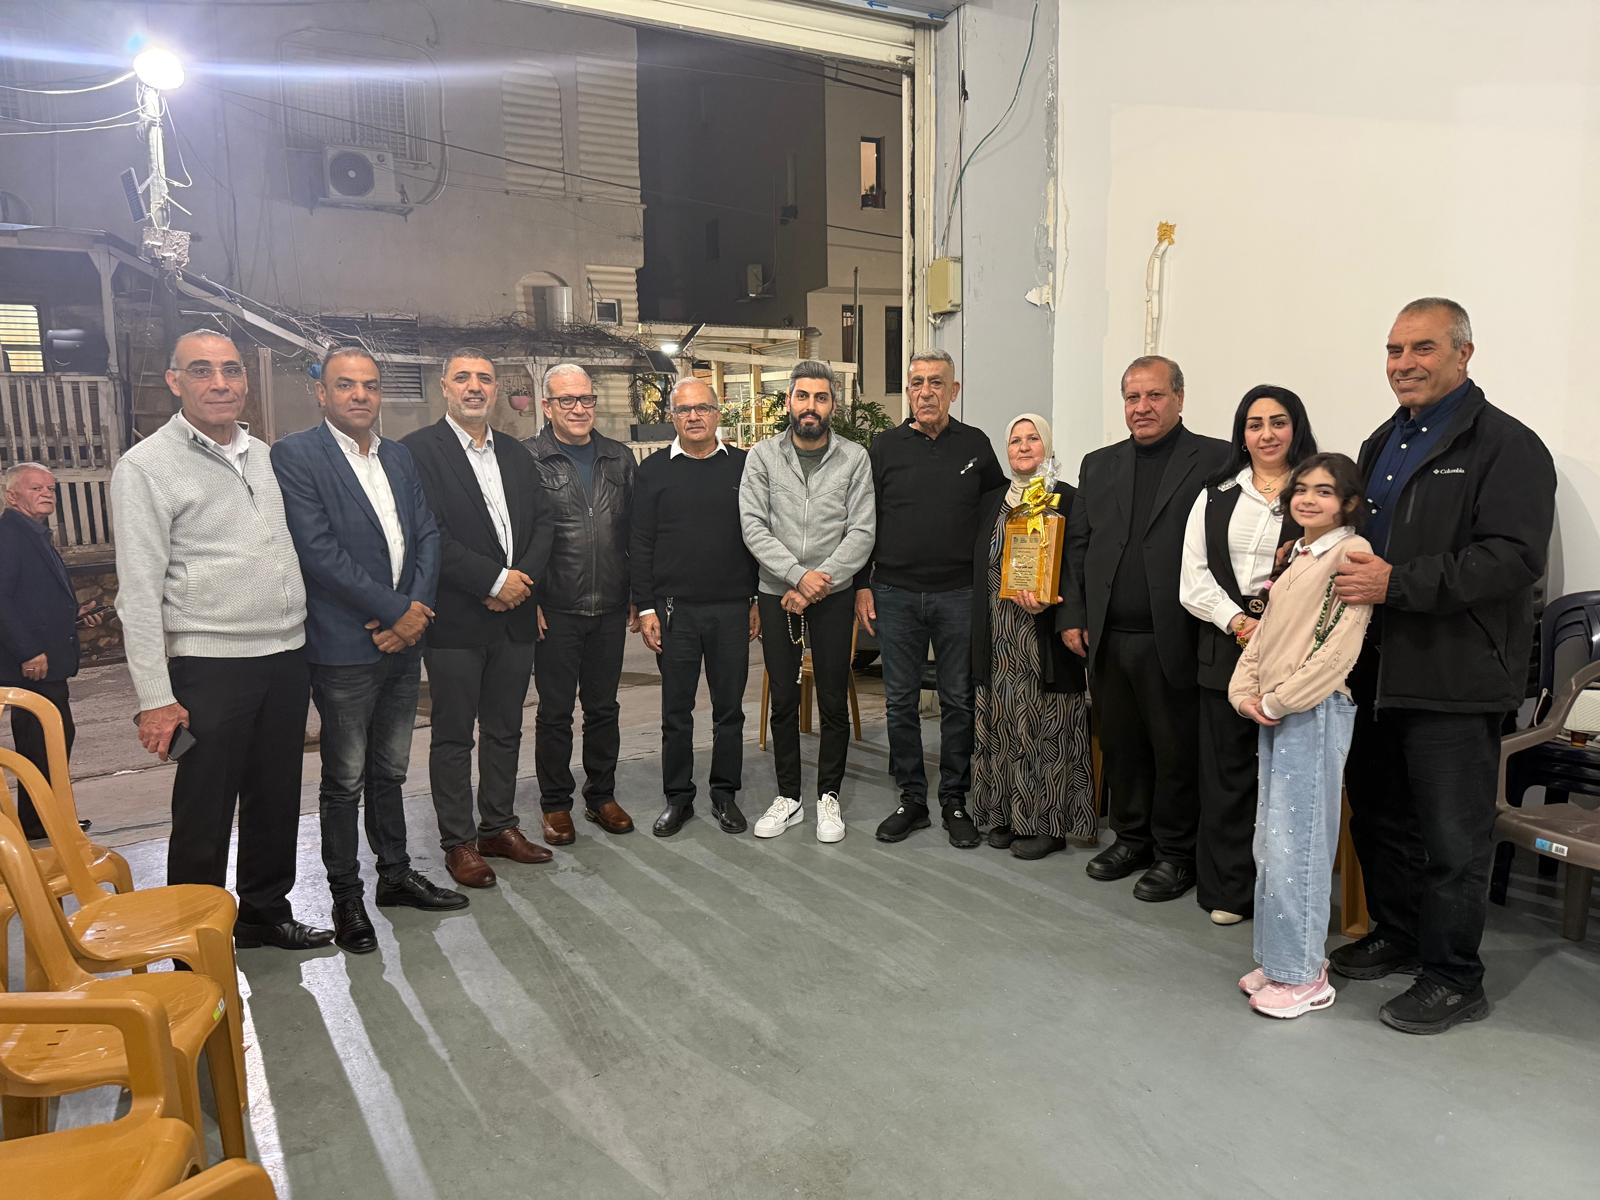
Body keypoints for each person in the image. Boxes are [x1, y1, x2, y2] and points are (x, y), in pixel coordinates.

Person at [1332, 298, 1555, 1034]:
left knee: (1453, 838)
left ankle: (1455, 976)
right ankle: (1398, 935)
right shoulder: (1380, 442)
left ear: (1463, 353)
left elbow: (1511, 559)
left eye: (1421, 348)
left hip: (1456, 675)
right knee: (1381, 816)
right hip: (1376, 670)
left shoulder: (1507, 446)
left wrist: (1398, 583)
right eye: (1394, 350)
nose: (1404, 364)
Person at [112, 330, 331, 950]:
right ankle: (195, 939)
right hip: (209, 665)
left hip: (285, 655)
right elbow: (137, 594)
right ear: (174, 381)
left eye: (231, 370)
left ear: (245, 380)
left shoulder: (264, 455)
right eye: (201, 371)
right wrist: (155, 698)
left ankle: (264, 912)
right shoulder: (146, 468)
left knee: (276, 794)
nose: (219, 383)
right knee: (204, 807)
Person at [271, 347, 466, 956]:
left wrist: (415, 612)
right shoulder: (297, 455)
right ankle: (345, 895)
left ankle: (396, 875)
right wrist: (394, 611)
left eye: (370, 385)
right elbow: (317, 551)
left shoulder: (398, 456)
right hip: (345, 644)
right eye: (346, 385)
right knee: (345, 779)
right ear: (321, 393)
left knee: (391, 770)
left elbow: (426, 534)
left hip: (403, 641)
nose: (360, 395)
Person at [1059, 355, 1231, 901]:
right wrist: (1073, 615)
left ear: (1179, 397)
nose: (1142, 407)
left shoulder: (1217, 458)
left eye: (1154, 395)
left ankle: (1176, 853)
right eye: (1132, 397)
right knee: (1122, 745)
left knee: (1175, 749)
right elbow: (1079, 545)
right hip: (1108, 637)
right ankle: (1131, 839)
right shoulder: (1099, 464)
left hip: (1176, 634)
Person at [402, 348, 554, 889]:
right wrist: (493, 582)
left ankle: (498, 827)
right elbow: (428, 533)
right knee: (453, 736)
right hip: (457, 621)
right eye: (463, 377)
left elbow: (544, 524)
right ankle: (459, 842)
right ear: (444, 386)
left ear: (495, 388)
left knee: (505, 728)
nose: (474, 386)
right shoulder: (417, 452)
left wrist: (519, 584)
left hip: (514, 618)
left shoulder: (515, 453)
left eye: (484, 378)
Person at [1232, 454, 1373, 1018]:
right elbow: (1267, 633)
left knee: (1301, 844)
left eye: (1324, 491)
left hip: (1313, 711)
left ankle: (1304, 975)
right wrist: (1244, 691)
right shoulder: (1300, 555)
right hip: (1279, 710)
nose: (1309, 499)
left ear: (1349, 503)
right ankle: (1278, 959)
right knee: (1272, 841)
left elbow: (1338, 649)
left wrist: (1277, 700)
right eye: (1302, 489)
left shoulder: (1351, 554)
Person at [855, 349, 1006, 848]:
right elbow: (864, 520)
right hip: (894, 593)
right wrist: (861, 585)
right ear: (908, 391)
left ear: (953, 391)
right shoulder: (884, 446)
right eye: (917, 382)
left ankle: (955, 799)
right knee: (899, 701)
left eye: (936, 382)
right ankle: (913, 799)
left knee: (958, 700)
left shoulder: (976, 445)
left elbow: (1001, 508)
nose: (926, 392)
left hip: (959, 594)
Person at [1179, 386, 1317, 925]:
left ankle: (1284, 896)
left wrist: (1278, 626)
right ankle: (1229, 890)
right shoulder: (1215, 494)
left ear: (1296, 428)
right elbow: (1193, 577)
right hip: (1226, 643)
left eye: (1278, 422)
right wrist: (1238, 622)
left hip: (1295, 651)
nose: (1267, 434)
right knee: (1227, 776)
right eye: (1255, 424)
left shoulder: (1316, 492)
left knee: (1286, 779)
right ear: (1242, 434)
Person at [739, 360, 875, 843]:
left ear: (833, 404)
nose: (810, 406)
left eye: (820, 397)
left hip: (834, 595)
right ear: (789, 401)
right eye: (802, 396)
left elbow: (862, 530)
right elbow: (753, 526)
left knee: (834, 699)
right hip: (778, 593)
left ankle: (828, 797)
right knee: (783, 699)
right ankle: (789, 797)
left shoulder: (854, 458)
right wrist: (798, 577)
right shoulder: (762, 457)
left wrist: (820, 581)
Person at [631, 378, 760, 837]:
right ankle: (678, 798)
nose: (694, 416)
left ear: (718, 413)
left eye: (702, 408)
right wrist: (646, 608)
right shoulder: (652, 472)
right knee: (676, 712)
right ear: (672, 417)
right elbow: (639, 542)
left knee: (729, 711)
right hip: (674, 613)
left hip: (731, 609)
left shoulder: (744, 466)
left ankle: (724, 794)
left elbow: (758, 536)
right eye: (684, 410)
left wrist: (755, 599)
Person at [968, 415, 1094, 859]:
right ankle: (1006, 814)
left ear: (1048, 445)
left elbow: (1079, 566)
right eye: (1015, 440)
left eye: (1033, 438)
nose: (1023, 447)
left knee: (1047, 726)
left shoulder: (1069, 498)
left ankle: (1048, 824)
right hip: (997, 633)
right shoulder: (991, 502)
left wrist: (1055, 604)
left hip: (1044, 632)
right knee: (1003, 721)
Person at [525, 363, 638, 844]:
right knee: (555, 713)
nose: (578, 408)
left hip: (609, 604)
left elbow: (635, 532)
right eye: (566, 400)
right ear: (547, 406)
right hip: (556, 608)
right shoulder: (528, 458)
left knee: (603, 709)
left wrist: (636, 595)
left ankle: (601, 796)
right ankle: (555, 804)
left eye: (585, 399)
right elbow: (517, 532)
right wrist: (529, 598)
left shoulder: (619, 458)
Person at [0, 462, 104, 839]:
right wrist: (28, 651)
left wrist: (73, 615)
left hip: (47, 661)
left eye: (50, 488)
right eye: (36, 488)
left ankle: (45, 817)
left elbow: (32, 599)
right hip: (31, 665)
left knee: (52, 739)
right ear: (12, 496)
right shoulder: (9, 535)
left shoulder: (34, 533)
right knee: (41, 740)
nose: (47, 493)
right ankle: (39, 822)